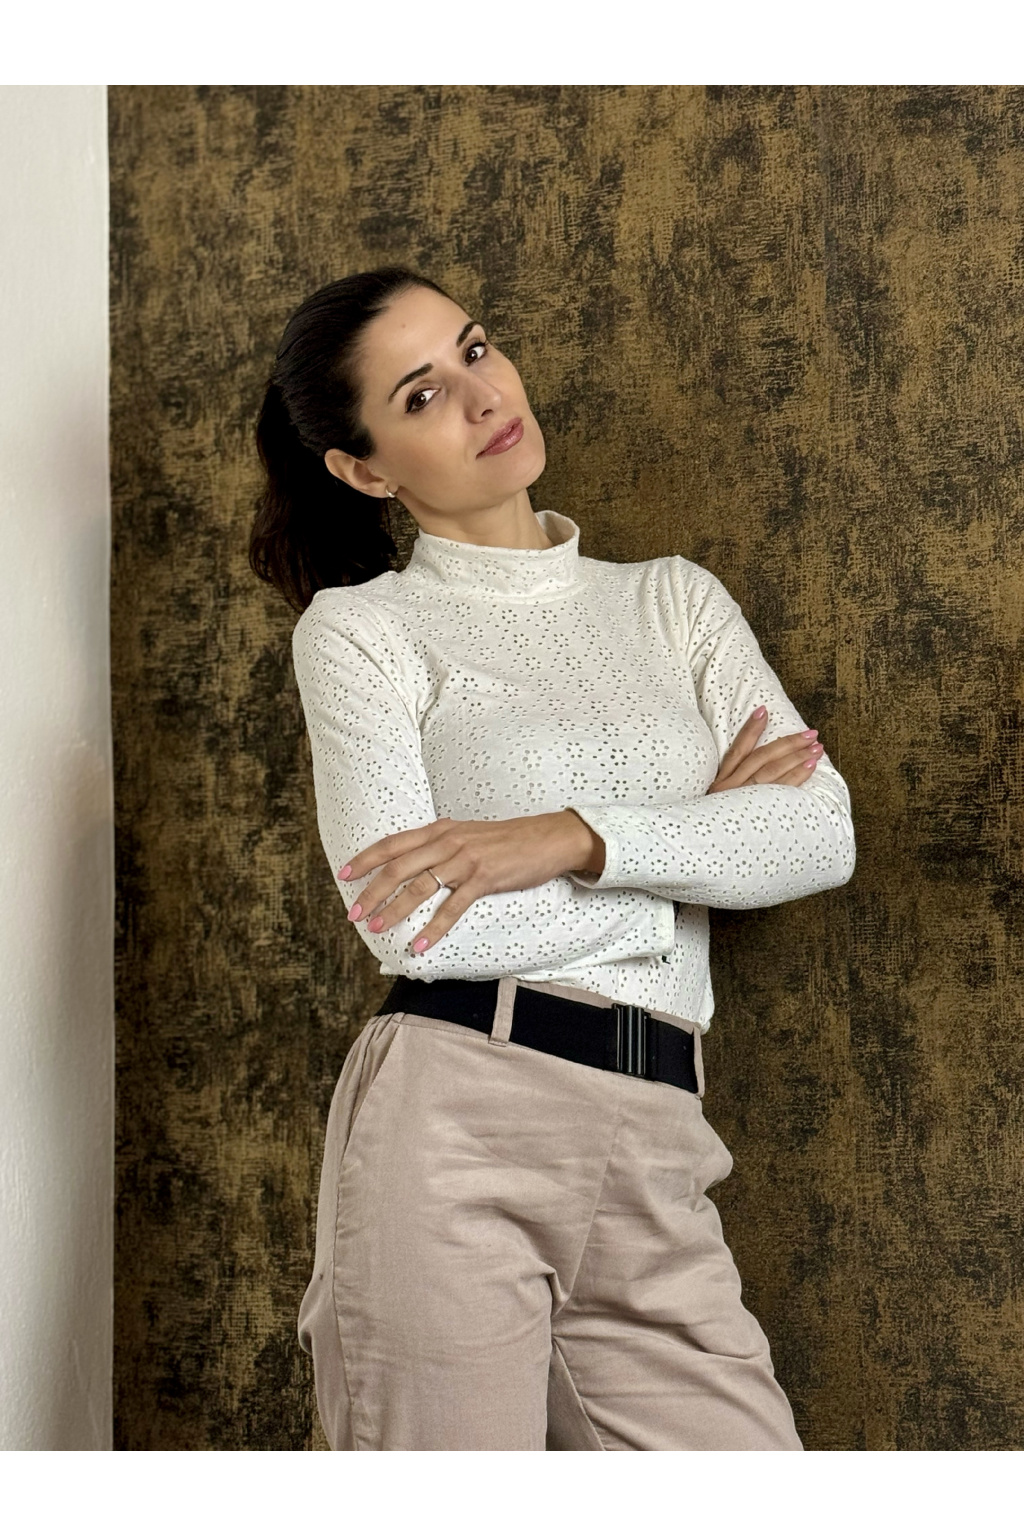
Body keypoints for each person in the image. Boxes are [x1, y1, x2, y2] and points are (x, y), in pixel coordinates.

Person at [249, 266, 856, 1451]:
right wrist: (690, 863)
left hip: (659, 1132)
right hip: (456, 1119)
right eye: (420, 395)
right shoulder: (363, 631)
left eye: (475, 350)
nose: (482, 396)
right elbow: (411, 923)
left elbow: (816, 833)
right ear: (366, 471)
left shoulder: (674, 603)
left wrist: (573, 839)